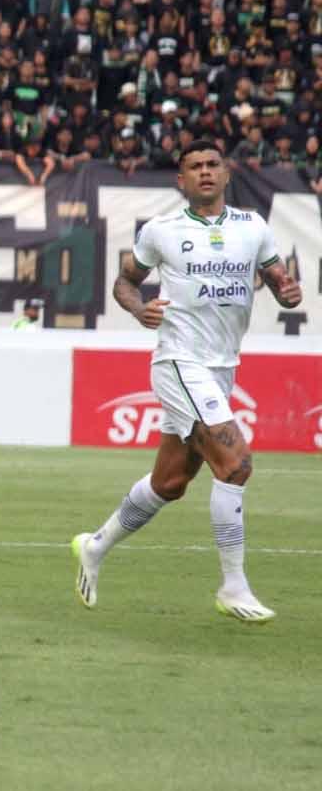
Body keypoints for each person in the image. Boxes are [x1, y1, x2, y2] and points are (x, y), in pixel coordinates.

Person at [72, 140, 303, 624]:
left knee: (170, 482)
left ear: (226, 174)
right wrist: (139, 308)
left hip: (221, 366)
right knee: (235, 465)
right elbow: (125, 280)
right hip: (179, 362)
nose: (203, 172)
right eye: (194, 167)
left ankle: (95, 546)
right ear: (181, 181)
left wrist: (287, 291)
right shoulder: (162, 231)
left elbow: (280, 283)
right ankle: (233, 586)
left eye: (211, 165)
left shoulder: (253, 228)